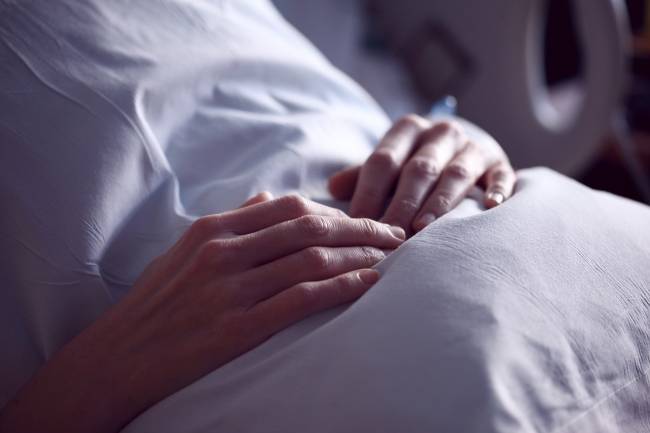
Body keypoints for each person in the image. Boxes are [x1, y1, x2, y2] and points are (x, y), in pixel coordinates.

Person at [0, 1, 514, 432]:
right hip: (301, 374)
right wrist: (100, 374)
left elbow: (317, 92)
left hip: (505, 231)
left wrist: (456, 142)